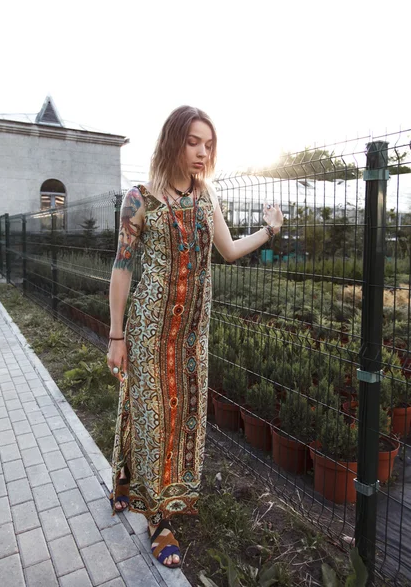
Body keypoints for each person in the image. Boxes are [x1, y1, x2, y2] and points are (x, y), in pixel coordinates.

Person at [107, 105, 283, 569]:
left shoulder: (208, 197)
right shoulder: (139, 198)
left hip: (191, 336)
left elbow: (227, 249)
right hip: (147, 329)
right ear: (172, 142)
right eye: (193, 142)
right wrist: (116, 335)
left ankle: (131, 482)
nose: (203, 152)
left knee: (181, 418)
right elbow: (122, 268)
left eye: (209, 144)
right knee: (149, 416)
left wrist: (269, 230)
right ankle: (158, 518)